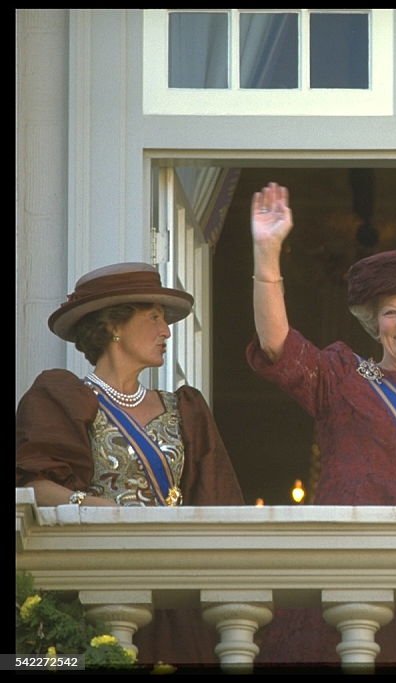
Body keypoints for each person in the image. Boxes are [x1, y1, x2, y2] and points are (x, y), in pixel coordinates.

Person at [247, 182, 396, 668]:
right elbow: (276, 347)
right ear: (375, 324)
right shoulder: (341, 375)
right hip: (346, 559)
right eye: (391, 312)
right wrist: (267, 251)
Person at [15, 261, 245, 666]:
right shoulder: (62, 397)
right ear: (113, 326)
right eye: (154, 317)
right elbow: (33, 486)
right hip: (96, 581)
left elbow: (219, 504)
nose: (166, 330)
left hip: (172, 587)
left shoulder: (185, 410)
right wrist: (86, 504)